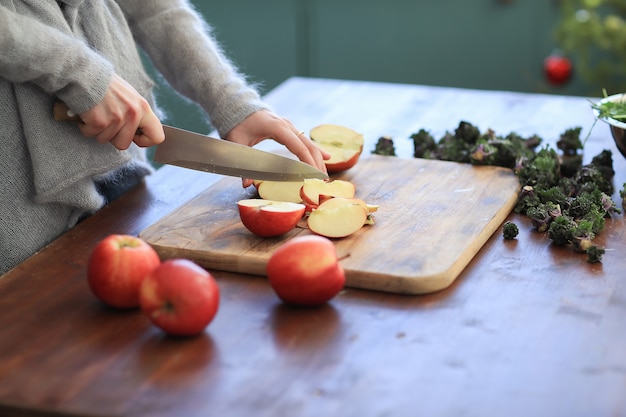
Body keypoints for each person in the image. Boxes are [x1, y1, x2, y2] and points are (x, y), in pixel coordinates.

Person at [0, 0, 328, 275]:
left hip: (120, 160)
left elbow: (153, 7)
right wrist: (82, 74)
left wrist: (231, 101)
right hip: (18, 194)